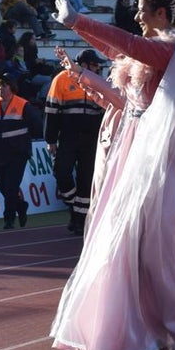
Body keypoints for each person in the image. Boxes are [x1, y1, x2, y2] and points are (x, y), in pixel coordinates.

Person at [49, 0, 175, 350]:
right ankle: (146, 339)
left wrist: (79, 20)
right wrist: (78, 26)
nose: (136, 17)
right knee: (130, 251)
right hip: (135, 153)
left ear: (162, 13)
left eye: (142, 10)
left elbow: (132, 46)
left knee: (160, 252)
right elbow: (119, 50)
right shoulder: (153, 51)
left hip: (169, 157)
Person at [44, 49, 105, 234]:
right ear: (83, 65)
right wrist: (50, 139)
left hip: (92, 138)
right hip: (68, 136)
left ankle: (80, 221)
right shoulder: (61, 79)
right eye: (95, 64)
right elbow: (51, 111)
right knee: (61, 172)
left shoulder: (99, 81)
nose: (98, 68)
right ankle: (73, 204)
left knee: (86, 179)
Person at [0, 75, 41, 229]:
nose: (0, 88)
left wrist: (24, 140)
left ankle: (9, 219)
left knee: (11, 186)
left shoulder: (23, 105)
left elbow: (36, 125)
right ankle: (20, 206)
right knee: (1, 184)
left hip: (18, 151)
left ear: (12, 87)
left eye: (4, 85)